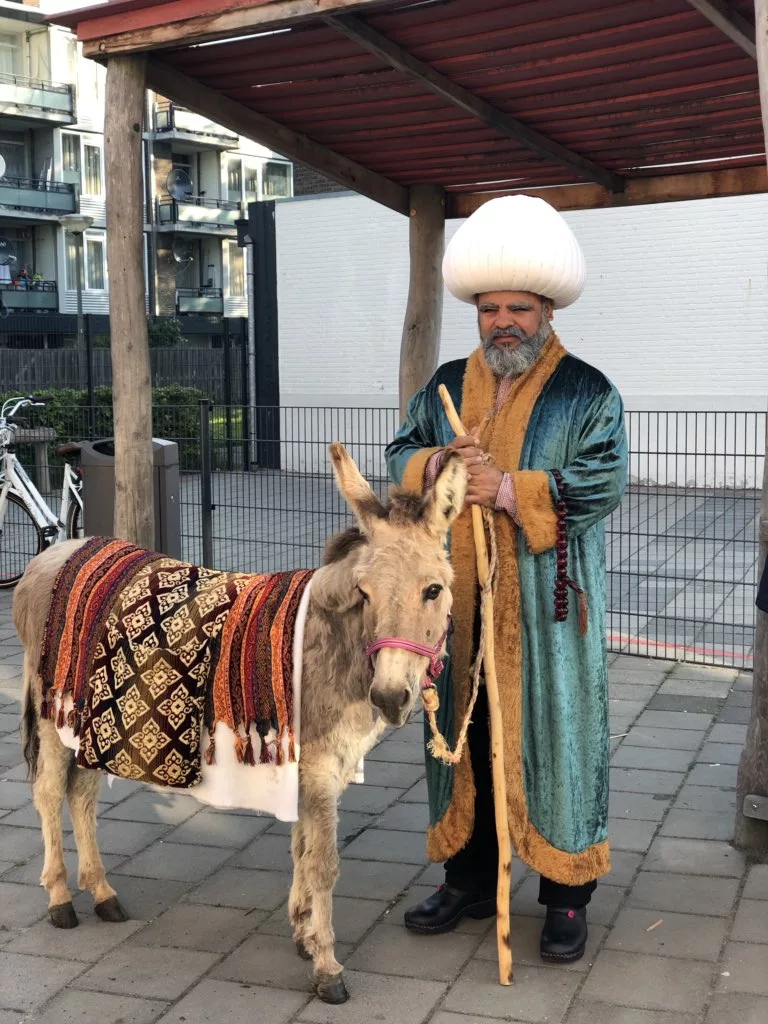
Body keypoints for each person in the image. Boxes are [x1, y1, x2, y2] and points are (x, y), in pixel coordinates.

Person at [385, 194, 628, 963]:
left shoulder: (589, 392)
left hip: (546, 612)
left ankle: (564, 896)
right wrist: (437, 464)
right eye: (489, 309)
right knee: (463, 735)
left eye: (517, 308)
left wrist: (507, 490)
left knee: (555, 743)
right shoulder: (446, 386)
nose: (502, 324)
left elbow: (601, 482)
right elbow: (400, 456)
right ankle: (465, 875)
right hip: (457, 606)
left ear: (547, 310)